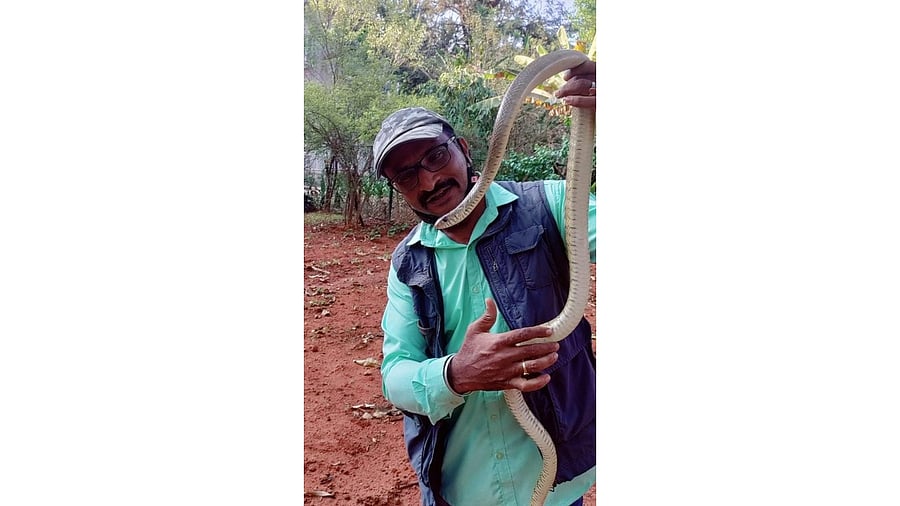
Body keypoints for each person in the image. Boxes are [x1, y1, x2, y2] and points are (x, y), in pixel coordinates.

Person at [375, 60, 597, 506]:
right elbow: (394, 375)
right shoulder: (407, 263)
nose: (430, 180)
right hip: (462, 490)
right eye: (406, 175)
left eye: (436, 156)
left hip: (557, 485)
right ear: (398, 189)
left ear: (462, 147)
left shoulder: (553, 203)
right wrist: (457, 374)